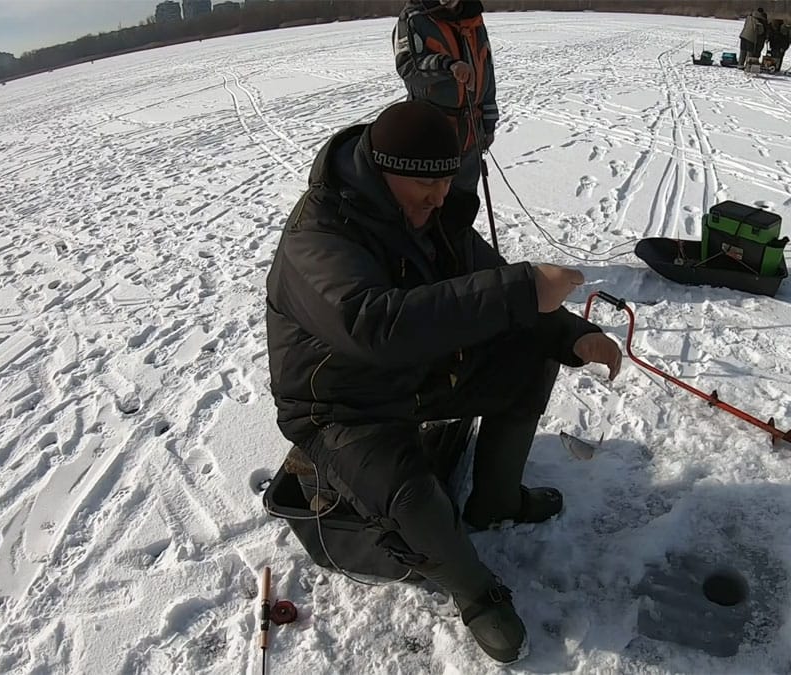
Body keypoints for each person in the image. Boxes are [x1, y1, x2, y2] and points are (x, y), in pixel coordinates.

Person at [264, 100, 622, 664]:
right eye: (423, 186)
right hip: (337, 406)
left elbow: (486, 278)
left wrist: (571, 333)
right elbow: (373, 323)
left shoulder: (434, 212)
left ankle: (497, 500)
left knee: (533, 351)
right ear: (382, 173)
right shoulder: (319, 235)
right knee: (415, 499)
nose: (437, 198)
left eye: (445, 182)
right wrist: (523, 290)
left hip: (415, 374)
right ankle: (475, 592)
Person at [393, 0, 497, 195]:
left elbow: (487, 69)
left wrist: (489, 122)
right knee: (431, 203)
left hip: (471, 132)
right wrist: (448, 66)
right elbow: (407, 66)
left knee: (465, 202)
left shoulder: (473, 16)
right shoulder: (413, 18)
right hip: (433, 130)